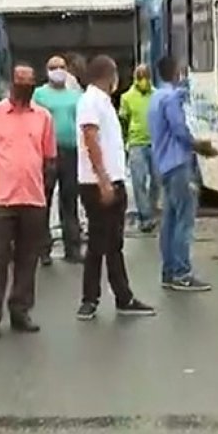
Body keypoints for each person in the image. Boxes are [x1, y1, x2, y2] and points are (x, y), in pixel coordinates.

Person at [0, 63, 57, 339]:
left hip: (32, 199)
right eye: (21, 80)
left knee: (27, 259)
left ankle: (20, 311)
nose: (25, 85)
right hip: (0, 200)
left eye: (30, 81)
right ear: (12, 82)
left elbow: (49, 157)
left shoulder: (43, 117)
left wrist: (41, 184)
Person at [75, 55, 155, 321]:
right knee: (101, 244)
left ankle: (118, 296)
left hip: (110, 181)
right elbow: (90, 138)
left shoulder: (103, 101)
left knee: (111, 244)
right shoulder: (90, 101)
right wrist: (104, 180)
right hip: (99, 184)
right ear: (110, 76)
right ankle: (94, 299)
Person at [148, 54, 216, 292]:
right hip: (178, 164)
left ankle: (169, 271)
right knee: (184, 221)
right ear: (176, 72)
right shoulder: (171, 98)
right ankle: (182, 273)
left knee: (169, 220)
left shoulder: (155, 97)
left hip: (163, 165)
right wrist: (198, 146)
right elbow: (179, 129)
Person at [33, 54, 83, 264]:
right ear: (47, 71)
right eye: (54, 67)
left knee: (69, 200)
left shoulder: (76, 95)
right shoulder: (39, 94)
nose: (58, 71)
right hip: (47, 154)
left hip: (71, 152)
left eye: (61, 67)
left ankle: (73, 248)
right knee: (43, 200)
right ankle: (43, 249)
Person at [119, 64, 159, 233]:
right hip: (136, 143)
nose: (143, 81)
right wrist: (125, 141)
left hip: (156, 142)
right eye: (140, 77)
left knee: (157, 180)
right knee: (139, 181)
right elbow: (123, 120)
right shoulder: (127, 97)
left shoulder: (157, 96)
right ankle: (146, 216)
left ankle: (151, 209)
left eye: (145, 77)